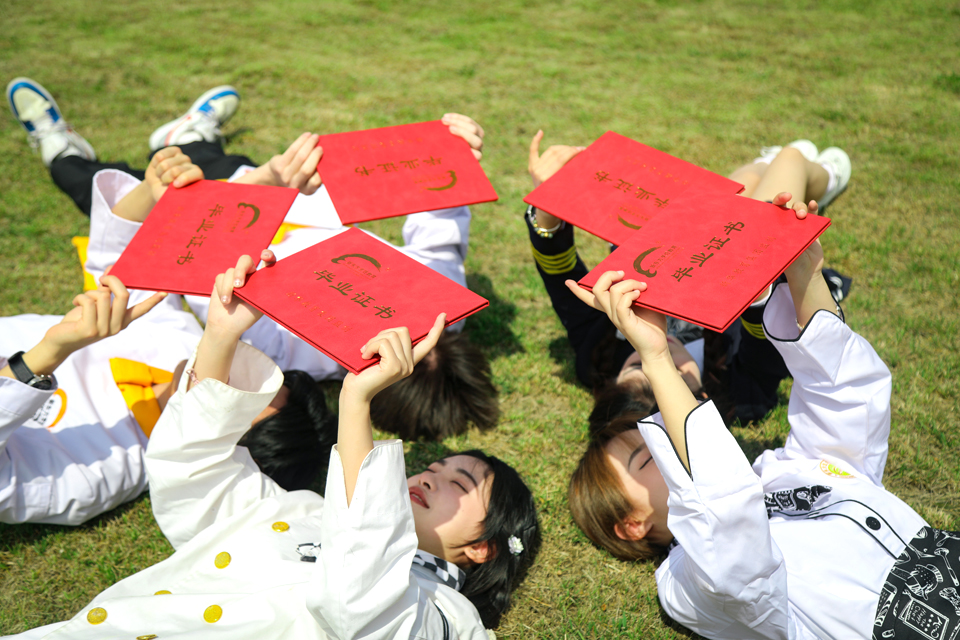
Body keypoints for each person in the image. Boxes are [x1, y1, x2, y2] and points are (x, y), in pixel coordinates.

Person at [6, 255, 542, 639]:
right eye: (437, 466)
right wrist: (222, 333)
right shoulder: (304, 510)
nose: (428, 477)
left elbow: (357, 604)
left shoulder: (447, 616)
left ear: (483, 548)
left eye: (459, 483)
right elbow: (197, 472)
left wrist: (356, 402)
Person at [6, 78, 499, 440]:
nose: (395, 316)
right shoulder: (441, 293)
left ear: (361, 372)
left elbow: (204, 278)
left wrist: (238, 202)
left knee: (126, 186)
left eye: (393, 342)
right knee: (209, 161)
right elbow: (440, 202)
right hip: (287, 196)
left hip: (214, 223)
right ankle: (192, 133)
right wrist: (455, 148)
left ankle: (60, 146)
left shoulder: (284, 354)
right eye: (428, 330)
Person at [566, 220, 960, 638]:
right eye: (647, 456)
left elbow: (846, 400)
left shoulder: (777, 472)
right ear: (633, 524)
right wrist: (657, 359)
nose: (672, 448)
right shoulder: (684, 582)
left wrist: (801, 269)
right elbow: (725, 522)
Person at [0, 149, 336, 526]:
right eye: (261, 375)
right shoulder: (179, 343)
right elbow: (119, 257)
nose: (229, 366)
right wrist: (152, 189)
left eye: (233, 396)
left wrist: (47, 355)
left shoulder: (92, 474)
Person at [525, 131, 852, 426]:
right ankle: (826, 175)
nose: (658, 359)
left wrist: (550, 202)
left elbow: (558, 269)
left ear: (611, 380)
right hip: (745, 250)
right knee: (790, 159)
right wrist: (754, 283)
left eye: (637, 368)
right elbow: (763, 340)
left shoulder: (599, 352)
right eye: (675, 376)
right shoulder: (741, 393)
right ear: (701, 397)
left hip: (688, 231)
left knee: (747, 179)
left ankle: (764, 165)